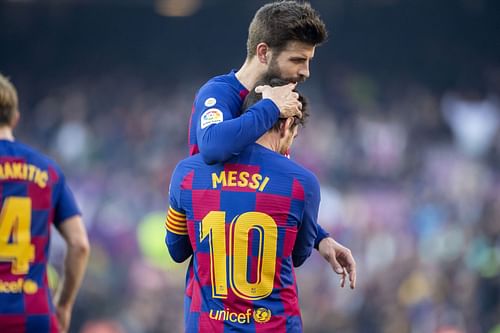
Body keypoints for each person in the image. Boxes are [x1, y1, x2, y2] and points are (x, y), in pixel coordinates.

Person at [187, 1, 356, 288]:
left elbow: (266, 190)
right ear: (263, 52)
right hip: (215, 279)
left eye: (309, 61)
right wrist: (269, 108)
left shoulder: (274, 106)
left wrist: (319, 238)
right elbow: (213, 147)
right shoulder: (220, 93)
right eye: (297, 60)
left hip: (257, 282)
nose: (306, 72)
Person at [166, 79, 319, 332]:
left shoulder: (187, 173)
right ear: (289, 123)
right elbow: (299, 255)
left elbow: (177, 250)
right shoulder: (302, 182)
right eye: (294, 135)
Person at [0, 73, 90, 333]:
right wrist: (63, 305)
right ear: (15, 119)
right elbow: (79, 245)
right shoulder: (47, 170)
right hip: (34, 314)